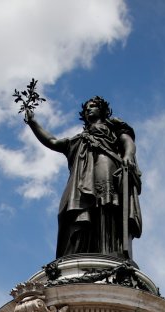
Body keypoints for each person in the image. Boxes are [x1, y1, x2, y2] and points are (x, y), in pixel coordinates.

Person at [23, 95, 142, 259]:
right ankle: (79, 252)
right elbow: (53, 142)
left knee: (106, 204)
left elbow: (127, 141)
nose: (88, 110)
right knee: (74, 210)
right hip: (80, 178)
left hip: (105, 164)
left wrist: (128, 155)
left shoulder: (113, 127)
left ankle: (110, 251)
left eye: (92, 106)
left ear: (102, 110)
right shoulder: (78, 140)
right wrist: (33, 123)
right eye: (86, 108)